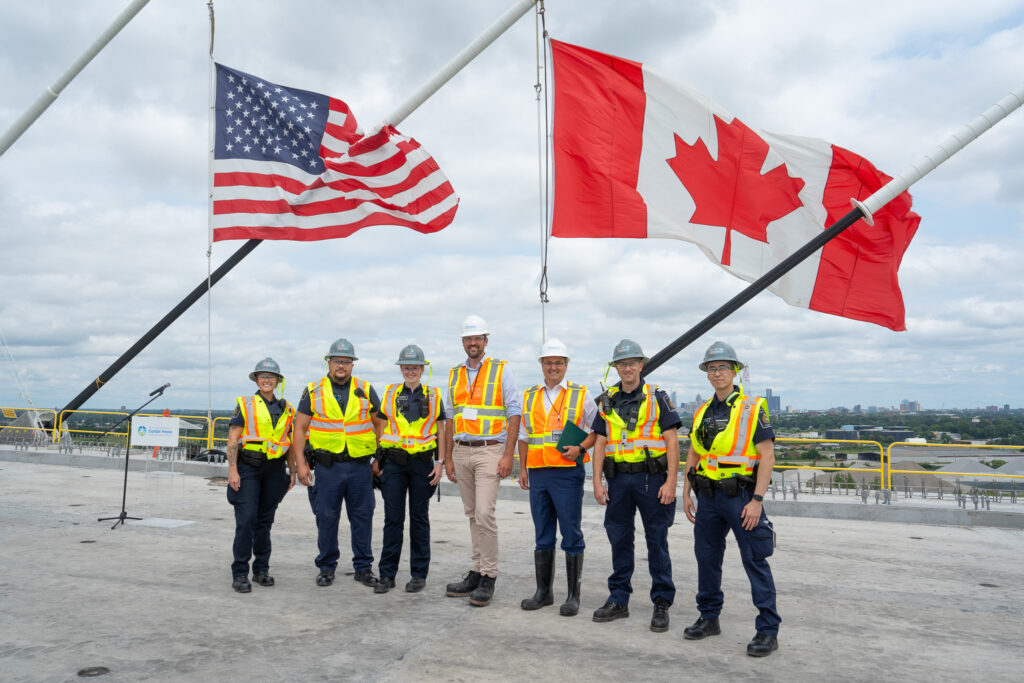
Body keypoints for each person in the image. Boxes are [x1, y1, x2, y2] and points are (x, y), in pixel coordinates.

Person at [681, 341, 780, 657]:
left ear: (734, 371)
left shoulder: (751, 409)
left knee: (755, 559)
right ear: (706, 374)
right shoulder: (701, 411)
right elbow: (695, 450)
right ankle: (709, 618)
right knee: (706, 558)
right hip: (708, 497)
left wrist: (758, 500)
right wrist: (686, 490)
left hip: (741, 498)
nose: (717, 372)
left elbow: (767, 456)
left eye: (723, 367)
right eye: (712, 368)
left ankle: (767, 631)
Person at [590, 339, 680, 633]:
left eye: (632, 363)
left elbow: (671, 441)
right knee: (619, 538)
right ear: (615, 368)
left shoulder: (657, 397)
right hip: (618, 481)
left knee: (656, 540)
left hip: (651, 479)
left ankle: (662, 602)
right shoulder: (607, 399)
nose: (627, 368)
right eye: (621, 364)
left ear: (641, 365)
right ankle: (619, 599)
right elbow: (601, 443)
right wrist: (597, 481)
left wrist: (670, 481)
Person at [442, 315, 521, 607]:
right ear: (463, 342)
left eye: (477, 338)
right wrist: (449, 456)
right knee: (472, 514)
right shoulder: (454, 374)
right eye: (468, 339)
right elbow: (451, 417)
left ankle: (489, 575)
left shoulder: (502, 370)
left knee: (485, 513)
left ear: (486, 341)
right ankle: (476, 570)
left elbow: (514, 411)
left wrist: (507, 454)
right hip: (462, 449)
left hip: (490, 450)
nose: (472, 343)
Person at [291, 338, 381, 589]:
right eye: (336, 361)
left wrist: (378, 459)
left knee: (362, 516)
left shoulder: (365, 388)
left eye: (346, 361)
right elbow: (299, 428)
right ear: (328, 363)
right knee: (326, 516)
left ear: (353, 364)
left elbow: (381, 423)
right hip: (327, 467)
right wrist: (300, 464)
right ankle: (326, 567)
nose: (341, 365)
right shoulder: (314, 389)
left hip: (360, 466)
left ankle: (363, 568)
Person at [517, 339, 596, 616]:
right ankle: (544, 592)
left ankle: (573, 596)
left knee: (571, 533)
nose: (553, 367)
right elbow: (524, 435)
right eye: (548, 362)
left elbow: (597, 429)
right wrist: (523, 468)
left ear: (566, 365)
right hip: (538, 473)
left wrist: (582, 447)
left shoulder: (581, 394)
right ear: (541, 364)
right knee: (543, 534)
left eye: (558, 362)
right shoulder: (530, 395)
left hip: (566, 473)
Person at [371, 344, 446, 594]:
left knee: (419, 519)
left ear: (423, 369)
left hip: (422, 464)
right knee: (393, 519)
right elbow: (380, 425)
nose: (410, 371)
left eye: (415, 367)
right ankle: (387, 574)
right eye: (406, 367)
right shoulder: (390, 392)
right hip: (394, 463)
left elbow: (442, 430)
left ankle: (418, 574)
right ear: (401, 369)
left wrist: (441, 462)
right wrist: (378, 458)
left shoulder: (434, 395)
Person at [226, 358, 296, 593]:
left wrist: (292, 471)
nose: (267, 380)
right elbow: (233, 438)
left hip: (274, 471)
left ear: (278, 380)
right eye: (262, 376)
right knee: (246, 521)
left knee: (265, 522)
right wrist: (233, 470)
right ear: (256, 379)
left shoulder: (288, 409)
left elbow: (289, 443)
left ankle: (261, 569)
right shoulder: (245, 404)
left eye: (271, 376)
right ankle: (240, 573)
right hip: (248, 468)